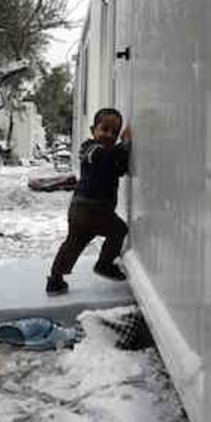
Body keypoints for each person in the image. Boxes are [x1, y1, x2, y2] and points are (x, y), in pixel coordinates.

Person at [46, 108, 131, 295]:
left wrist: (123, 154)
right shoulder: (91, 148)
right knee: (119, 231)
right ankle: (104, 264)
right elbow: (104, 159)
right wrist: (124, 145)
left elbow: (118, 168)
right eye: (105, 129)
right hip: (91, 208)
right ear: (93, 130)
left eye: (114, 132)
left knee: (74, 244)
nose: (109, 135)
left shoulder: (109, 153)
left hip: (84, 209)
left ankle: (55, 280)